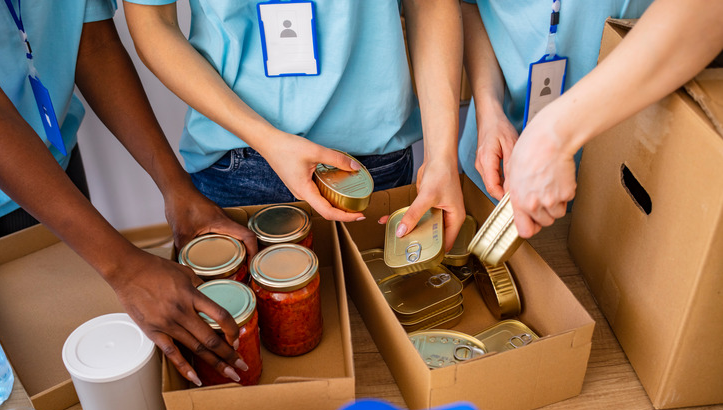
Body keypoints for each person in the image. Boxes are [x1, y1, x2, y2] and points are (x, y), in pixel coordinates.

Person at [0, 1, 258, 386]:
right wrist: (124, 268)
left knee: (79, 363)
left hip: (49, 169)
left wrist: (175, 186)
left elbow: (92, 43)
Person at [123, 0, 467, 250]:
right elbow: (151, 20)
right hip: (237, 159)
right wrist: (266, 139)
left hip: (371, 165)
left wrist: (442, 158)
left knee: (380, 329)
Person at [460, 0, 723, 238]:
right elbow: (470, 5)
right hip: (491, 169)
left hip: (626, 190)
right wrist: (489, 110)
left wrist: (556, 133)